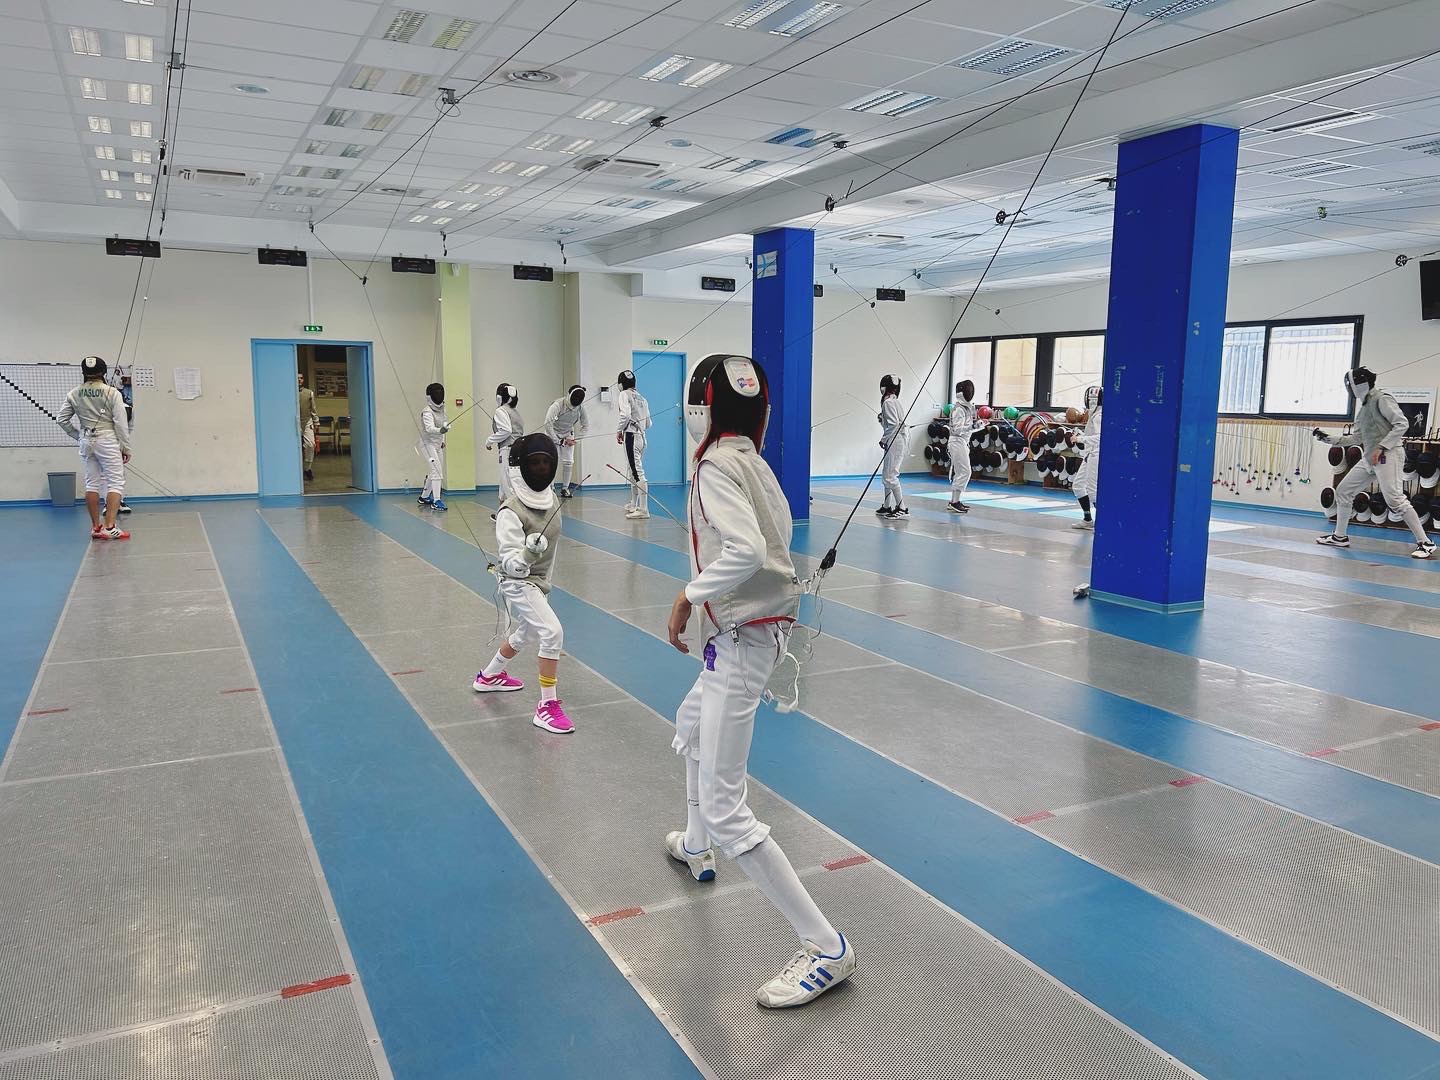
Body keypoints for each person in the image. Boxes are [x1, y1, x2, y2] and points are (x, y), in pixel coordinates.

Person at [666, 352, 856, 1008]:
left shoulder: (715, 466)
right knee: (691, 724)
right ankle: (696, 844)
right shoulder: (753, 463)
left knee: (726, 804)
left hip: (743, 640)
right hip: (756, 632)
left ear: (700, 409)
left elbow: (745, 550)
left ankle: (826, 947)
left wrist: (688, 594)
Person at [472, 433, 575, 733]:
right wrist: (528, 553)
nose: (542, 468)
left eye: (546, 462)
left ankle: (489, 676)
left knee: (528, 632)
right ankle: (546, 706)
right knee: (552, 632)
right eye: (534, 463)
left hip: (540, 582)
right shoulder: (510, 512)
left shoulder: (551, 500)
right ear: (521, 467)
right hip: (518, 582)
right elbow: (511, 565)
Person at [1315, 366, 1436, 559]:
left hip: (1388, 455)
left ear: (1359, 384)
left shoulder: (1382, 399)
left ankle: (1426, 543)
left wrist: (1381, 447)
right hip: (1370, 457)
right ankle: (1339, 537)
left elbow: (1402, 424)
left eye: (1350, 384)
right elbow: (1356, 438)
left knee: (1394, 499)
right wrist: (1329, 439)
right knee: (1344, 491)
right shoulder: (1363, 408)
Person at [57, 355, 131, 540]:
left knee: (92, 483)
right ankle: (110, 526)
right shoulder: (112, 392)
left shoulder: (73, 393)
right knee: (116, 482)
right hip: (107, 440)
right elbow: (121, 423)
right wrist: (126, 447)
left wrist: (78, 436)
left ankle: (96, 527)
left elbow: (61, 420)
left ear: (84, 372)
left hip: (86, 440)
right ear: (103, 372)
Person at [616, 369, 651, 519]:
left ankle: (643, 509)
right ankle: (634, 504)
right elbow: (649, 423)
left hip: (631, 437)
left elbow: (625, 415)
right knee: (633, 471)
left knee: (637, 472)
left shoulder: (624, 394)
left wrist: (619, 430)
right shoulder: (642, 398)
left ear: (621, 384)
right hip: (642, 438)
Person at [543, 384, 588, 498]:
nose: (576, 401)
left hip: (568, 434)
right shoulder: (557, 405)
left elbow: (585, 426)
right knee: (552, 461)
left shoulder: (580, 408)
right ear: (569, 395)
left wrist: (575, 440)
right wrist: (557, 440)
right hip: (552, 433)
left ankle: (565, 488)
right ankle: (551, 488)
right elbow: (547, 424)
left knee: (568, 462)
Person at [1071, 385, 1102, 531]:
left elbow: (1101, 437)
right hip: (1090, 453)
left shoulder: (1099, 416)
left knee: (1092, 490)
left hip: (1096, 454)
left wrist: (1080, 439)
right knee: (1078, 486)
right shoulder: (1094, 414)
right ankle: (1088, 519)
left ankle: (1103, 522)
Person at [877, 373, 908, 518]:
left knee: (891, 475)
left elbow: (894, 425)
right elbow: (893, 423)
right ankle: (887, 506)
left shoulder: (888, 402)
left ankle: (902, 508)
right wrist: (882, 420)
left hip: (895, 440)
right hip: (895, 439)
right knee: (887, 474)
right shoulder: (894, 401)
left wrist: (883, 439)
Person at [485, 383, 523, 501]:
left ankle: (513, 508)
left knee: (507, 482)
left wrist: (489, 441)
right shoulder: (515, 412)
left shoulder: (501, 410)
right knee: (507, 480)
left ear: (499, 397)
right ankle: (502, 506)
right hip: (518, 449)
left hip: (507, 449)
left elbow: (506, 431)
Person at [418, 382, 449, 511]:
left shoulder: (443, 409)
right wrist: (440, 431)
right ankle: (436, 501)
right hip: (427, 444)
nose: (439, 395)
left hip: (437, 444)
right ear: (430, 396)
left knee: (435, 470)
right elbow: (429, 428)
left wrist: (443, 439)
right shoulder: (427, 412)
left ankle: (424, 497)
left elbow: (444, 424)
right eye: (436, 393)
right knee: (437, 470)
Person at [948, 379, 978, 513]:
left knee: (961, 472)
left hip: (962, 443)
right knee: (965, 471)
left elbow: (968, 429)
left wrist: (979, 426)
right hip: (957, 442)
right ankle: (955, 502)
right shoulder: (959, 409)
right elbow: (958, 430)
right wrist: (975, 426)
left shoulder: (966, 408)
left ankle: (954, 501)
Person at [298, 372, 319, 483]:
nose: (299, 380)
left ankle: (307, 469)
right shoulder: (289, 392)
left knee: (310, 444)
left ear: (303, 380)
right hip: (292, 422)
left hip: (306, 421)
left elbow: (313, 409)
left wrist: (316, 422)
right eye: (297, 378)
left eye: (301, 378)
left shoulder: (309, 393)